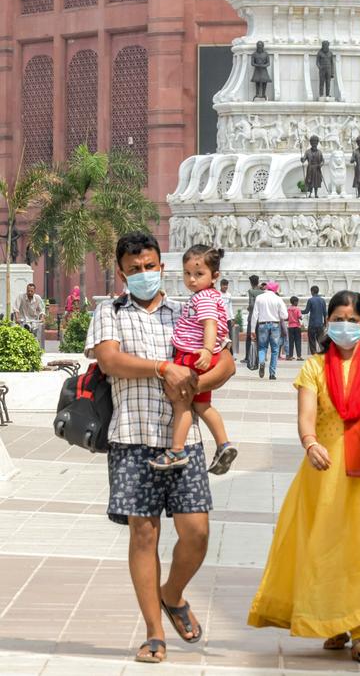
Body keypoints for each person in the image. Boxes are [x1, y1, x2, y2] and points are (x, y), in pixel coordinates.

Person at [248, 290, 360, 664]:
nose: (344, 324)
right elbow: (306, 417)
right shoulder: (314, 366)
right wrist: (310, 444)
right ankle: (334, 623)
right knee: (328, 549)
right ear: (327, 323)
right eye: (337, 318)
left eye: (351, 319)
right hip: (324, 475)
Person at [85, 231, 235, 664]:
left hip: (181, 439)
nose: (144, 274)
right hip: (132, 437)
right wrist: (163, 368)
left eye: (150, 266)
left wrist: (194, 384)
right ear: (121, 274)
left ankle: (172, 593)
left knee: (197, 532)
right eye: (134, 270)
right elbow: (109, 360)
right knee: (144, 534)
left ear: (162, 266)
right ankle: (154, 633)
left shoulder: (189, 310)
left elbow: (226, 360)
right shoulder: (109, 311)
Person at [149, 246, 237, 476]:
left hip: (192, 355)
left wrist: (207, 350)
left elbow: (210, 324)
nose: (191, 279)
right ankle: (224, 443)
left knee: (181, 403)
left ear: (215, 276)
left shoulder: (204, 298)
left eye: (199, 274)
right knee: (202, 405)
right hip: (198, 355)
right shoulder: (207, 296)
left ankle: (177, 449)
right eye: (187, 273)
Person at [252, 280, 288, 380]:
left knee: (262, 347)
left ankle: (262, 362)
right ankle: (272, 374)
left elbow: (255, 315)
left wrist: (252, 330)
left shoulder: (259, 298)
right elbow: (285, 315)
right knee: (275, 350)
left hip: (262, 325)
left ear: (267, 288)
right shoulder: (278, 299)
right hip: (275, 325)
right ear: (276, 289)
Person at [14, 282, 45, 348]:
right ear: (26, 290)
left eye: (31, 291)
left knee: (36, 335)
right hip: (23, 320)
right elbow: (16, 308)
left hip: (34, 321)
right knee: (21, 335)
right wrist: (17, 318)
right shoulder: (21, 296)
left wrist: (42, 318)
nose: (30, 292)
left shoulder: (38, 298)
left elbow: (42, 309)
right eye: (28, 291)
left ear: (34, 291)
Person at [302, 285, 327, 354]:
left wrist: (299, 311)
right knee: (320, 340)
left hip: (312, 324)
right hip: (320, 324)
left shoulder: (310, 300)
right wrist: (325, 323)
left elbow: (306, 311)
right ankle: (323, 353)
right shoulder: (322, 300)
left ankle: (314, 353)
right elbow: (325, 313)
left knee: (312, 340)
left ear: (312, 291)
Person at [246, 275, 264, 365]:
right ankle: (260, 358)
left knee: (249, 337)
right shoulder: (262, 292)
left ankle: (248, 357)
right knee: (260, 339)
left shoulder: (251, 291)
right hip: (260, 318)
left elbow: (252, 305)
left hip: (252, 317)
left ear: (251, 282)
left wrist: (248, 308)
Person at [287, 296, 304, 361]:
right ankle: (299, 356)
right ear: (294, 302)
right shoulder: (297, 309)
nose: (297, 303)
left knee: (291, 342)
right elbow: (300, 317)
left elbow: (287, 317)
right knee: (298, 341)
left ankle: (290, 356)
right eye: (297, 302)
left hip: (290, 327)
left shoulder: (288, 309)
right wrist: (301, 318)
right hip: (297, 326)